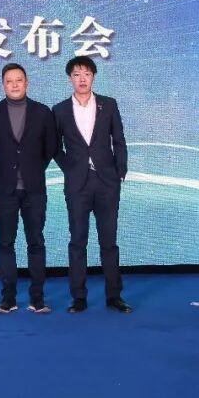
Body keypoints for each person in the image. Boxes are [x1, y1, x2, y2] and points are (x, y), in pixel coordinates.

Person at [53, 56, 132, 314]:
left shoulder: (108, 105)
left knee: (109, 242)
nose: (82, 79)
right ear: (70, 79)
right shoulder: (60, 110)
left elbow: (118, 139)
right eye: (77, 74)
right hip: (77, 184)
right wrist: (70, 168)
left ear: (93, 77)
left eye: (86, 73)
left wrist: (120, 170)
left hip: (107, 182)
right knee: (78, 241)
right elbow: (54, 146)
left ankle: (114, 296)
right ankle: (78, 298)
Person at [0, 63, 57, 314]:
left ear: (27, 83)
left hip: (34, 190)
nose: (14, 84)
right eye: (9, 81)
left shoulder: (42, 112)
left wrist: (31, 168)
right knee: (6, 243)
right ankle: (8, 299)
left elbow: (49, 148)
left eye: (19, 80)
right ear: (3, 85)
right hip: (4, 190)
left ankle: (37, 299)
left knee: (36, 242)